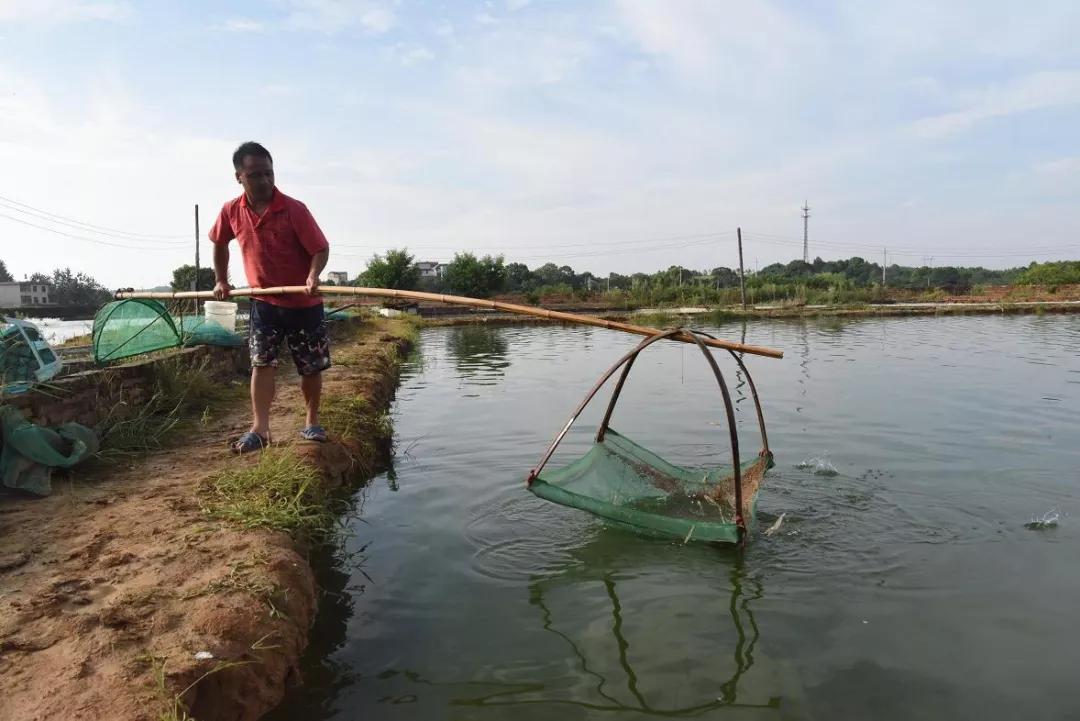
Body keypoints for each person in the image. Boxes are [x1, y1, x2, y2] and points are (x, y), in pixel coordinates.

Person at [209, 141, 331, 453]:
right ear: (239, 177)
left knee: (311, 366)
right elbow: (220, 242)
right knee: (261, 363)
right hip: (264, 303)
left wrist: (312, 276)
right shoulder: (230, 211)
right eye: (255, 175)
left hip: (304, 303)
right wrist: (221, 279)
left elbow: (320, 248)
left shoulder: (294, 209)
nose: (264, 180)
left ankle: (311, 422)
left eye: (268, 173)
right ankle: (260, 430)